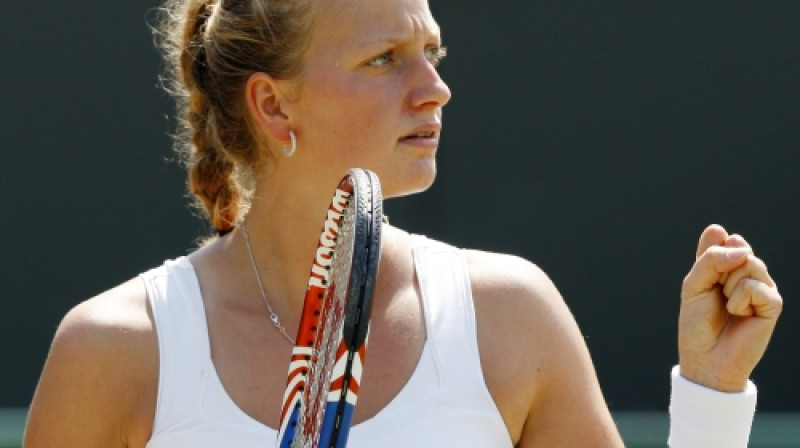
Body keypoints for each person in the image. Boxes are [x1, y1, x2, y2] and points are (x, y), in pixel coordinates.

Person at [23, 0, 783, 446]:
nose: (436, 89)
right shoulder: (113, 351)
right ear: (274, 104)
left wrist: (712, 396)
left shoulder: (512, 315)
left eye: (431, 51)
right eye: (385, 59)